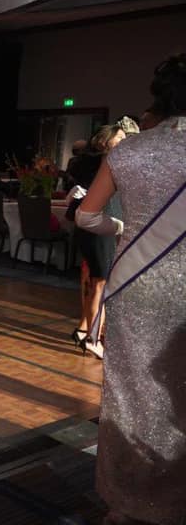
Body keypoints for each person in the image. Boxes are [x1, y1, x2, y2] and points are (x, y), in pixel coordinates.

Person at [76, 53, 186, 525]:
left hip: (136, 285)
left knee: (130, 393)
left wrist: (124, 228)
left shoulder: (129, 151)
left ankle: (125, 502)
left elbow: (87, 216)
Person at [69, 124, 126, 359]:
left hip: (95, 226)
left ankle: (84, 330)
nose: (124, 140)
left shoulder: (90, 163)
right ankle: (93, 339)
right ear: (105, 141)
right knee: (100, 285)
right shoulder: (106, 163)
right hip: (101, 226)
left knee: (96, 282)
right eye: (119, 137)